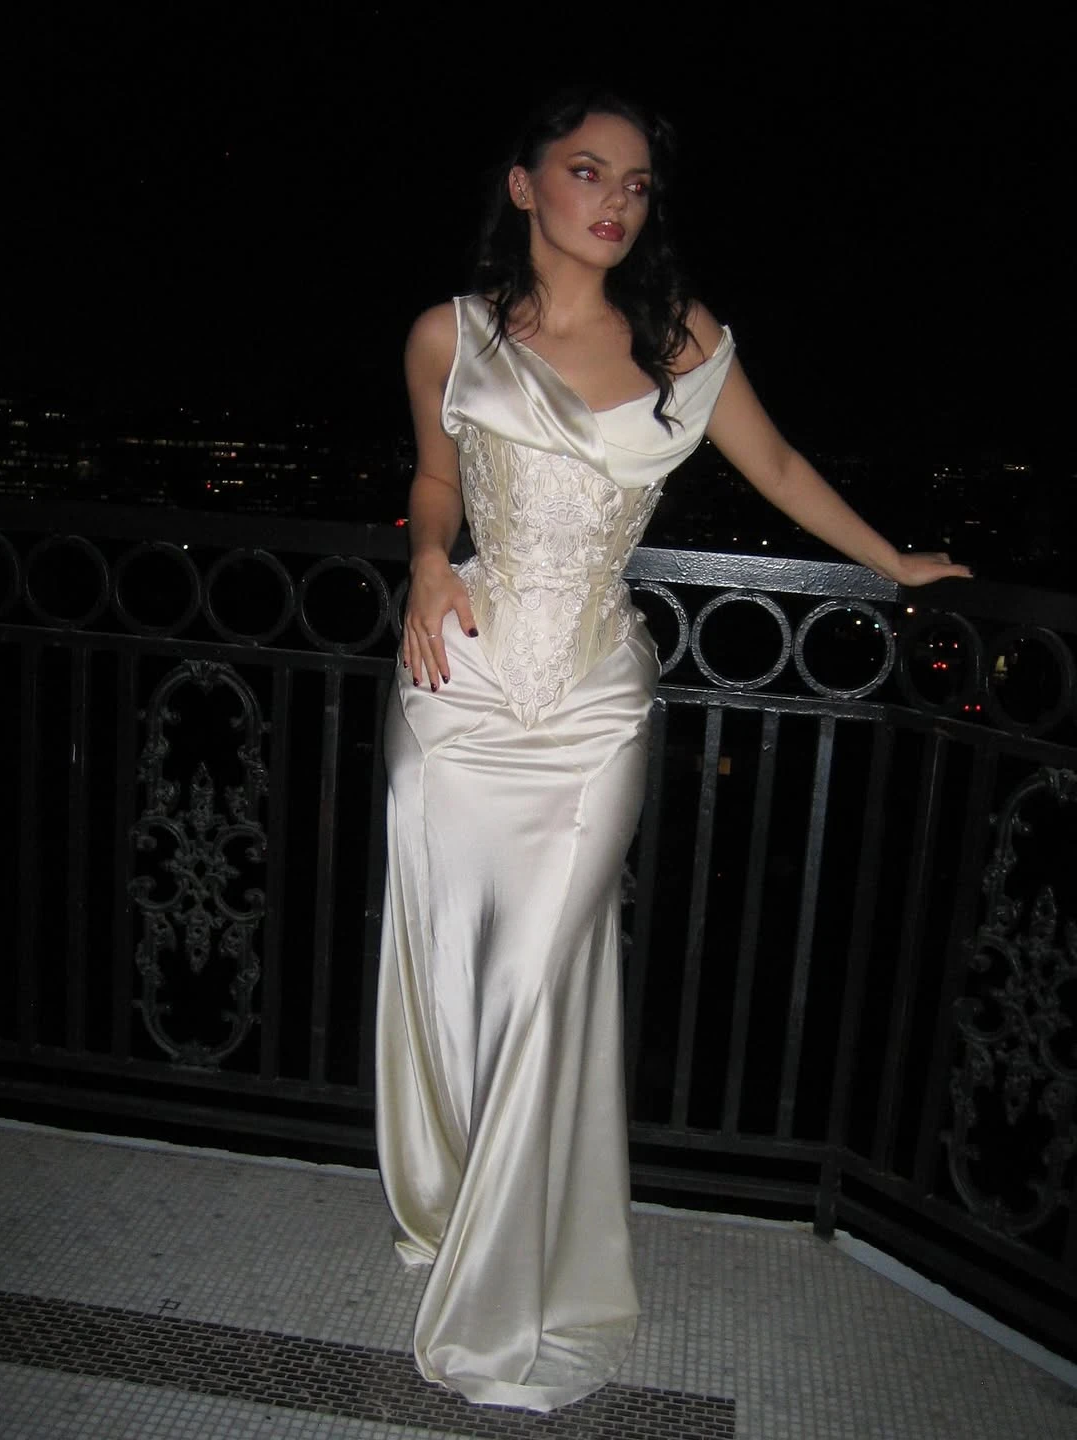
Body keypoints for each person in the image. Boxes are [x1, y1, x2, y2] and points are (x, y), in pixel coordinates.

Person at [374, 88, 970, 1414]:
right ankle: (455, 1189)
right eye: (588, 171)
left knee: (538, 973)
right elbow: (435, 480)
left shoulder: (683, 336)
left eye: (636, 184)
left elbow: (780, 465)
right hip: (459, 689)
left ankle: (507, 1292)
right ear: (525, 184)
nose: (615, 201)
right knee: (457, 963)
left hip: (592, 702)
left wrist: (896, 564)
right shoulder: (448, 335)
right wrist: (426, 560)